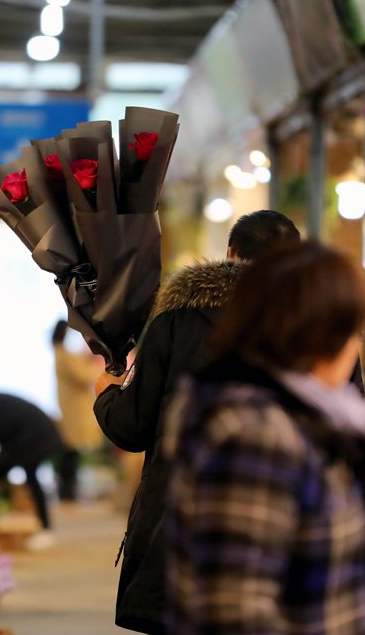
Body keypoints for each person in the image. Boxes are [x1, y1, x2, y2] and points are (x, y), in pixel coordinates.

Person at [93, 209, 301, 634]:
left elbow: (132, 428)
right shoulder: (320, 328)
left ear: (230, 253)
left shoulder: (177, 318)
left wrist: (106, 396)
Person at [163, 241, 365, 634]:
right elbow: (234, 613)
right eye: (351, 331)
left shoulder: (298, 419)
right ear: (318, 335)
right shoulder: (256, 434)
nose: (354, 346)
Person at [0, 392, 67, 539]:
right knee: (24, 476)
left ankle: (43, 526)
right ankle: (37, 525)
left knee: (29, 477)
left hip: (35, 436)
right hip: (35, 433)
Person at [52, 320, 104, 501]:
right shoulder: (64, 355)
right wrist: (94, 364)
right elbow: (83, 375)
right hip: (74, 410)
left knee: (70, 453)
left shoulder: (61, 353)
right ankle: (67, 494)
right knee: (70, 454)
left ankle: (67, 492)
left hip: (70, 408)